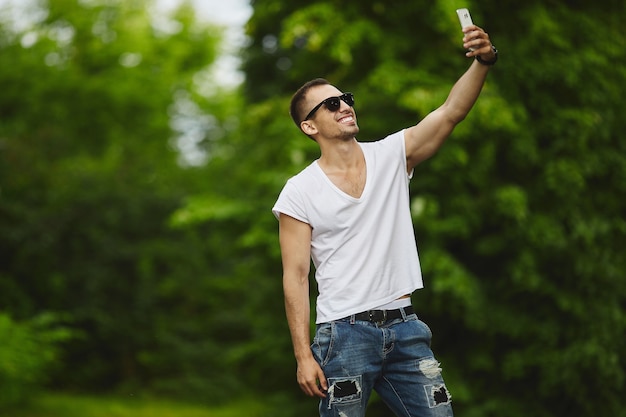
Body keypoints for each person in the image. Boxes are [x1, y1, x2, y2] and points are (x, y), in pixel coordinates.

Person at [272, 22, 497, 417]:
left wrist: (483, 61)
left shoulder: (391, 155)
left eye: (345, 98)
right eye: (330, 104)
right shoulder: (298, 191)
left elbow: (450, 113)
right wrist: (303, 355)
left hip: (406, 328)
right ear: (309, 126)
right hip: (342, 335)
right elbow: (295, 276)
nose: (344, 106)